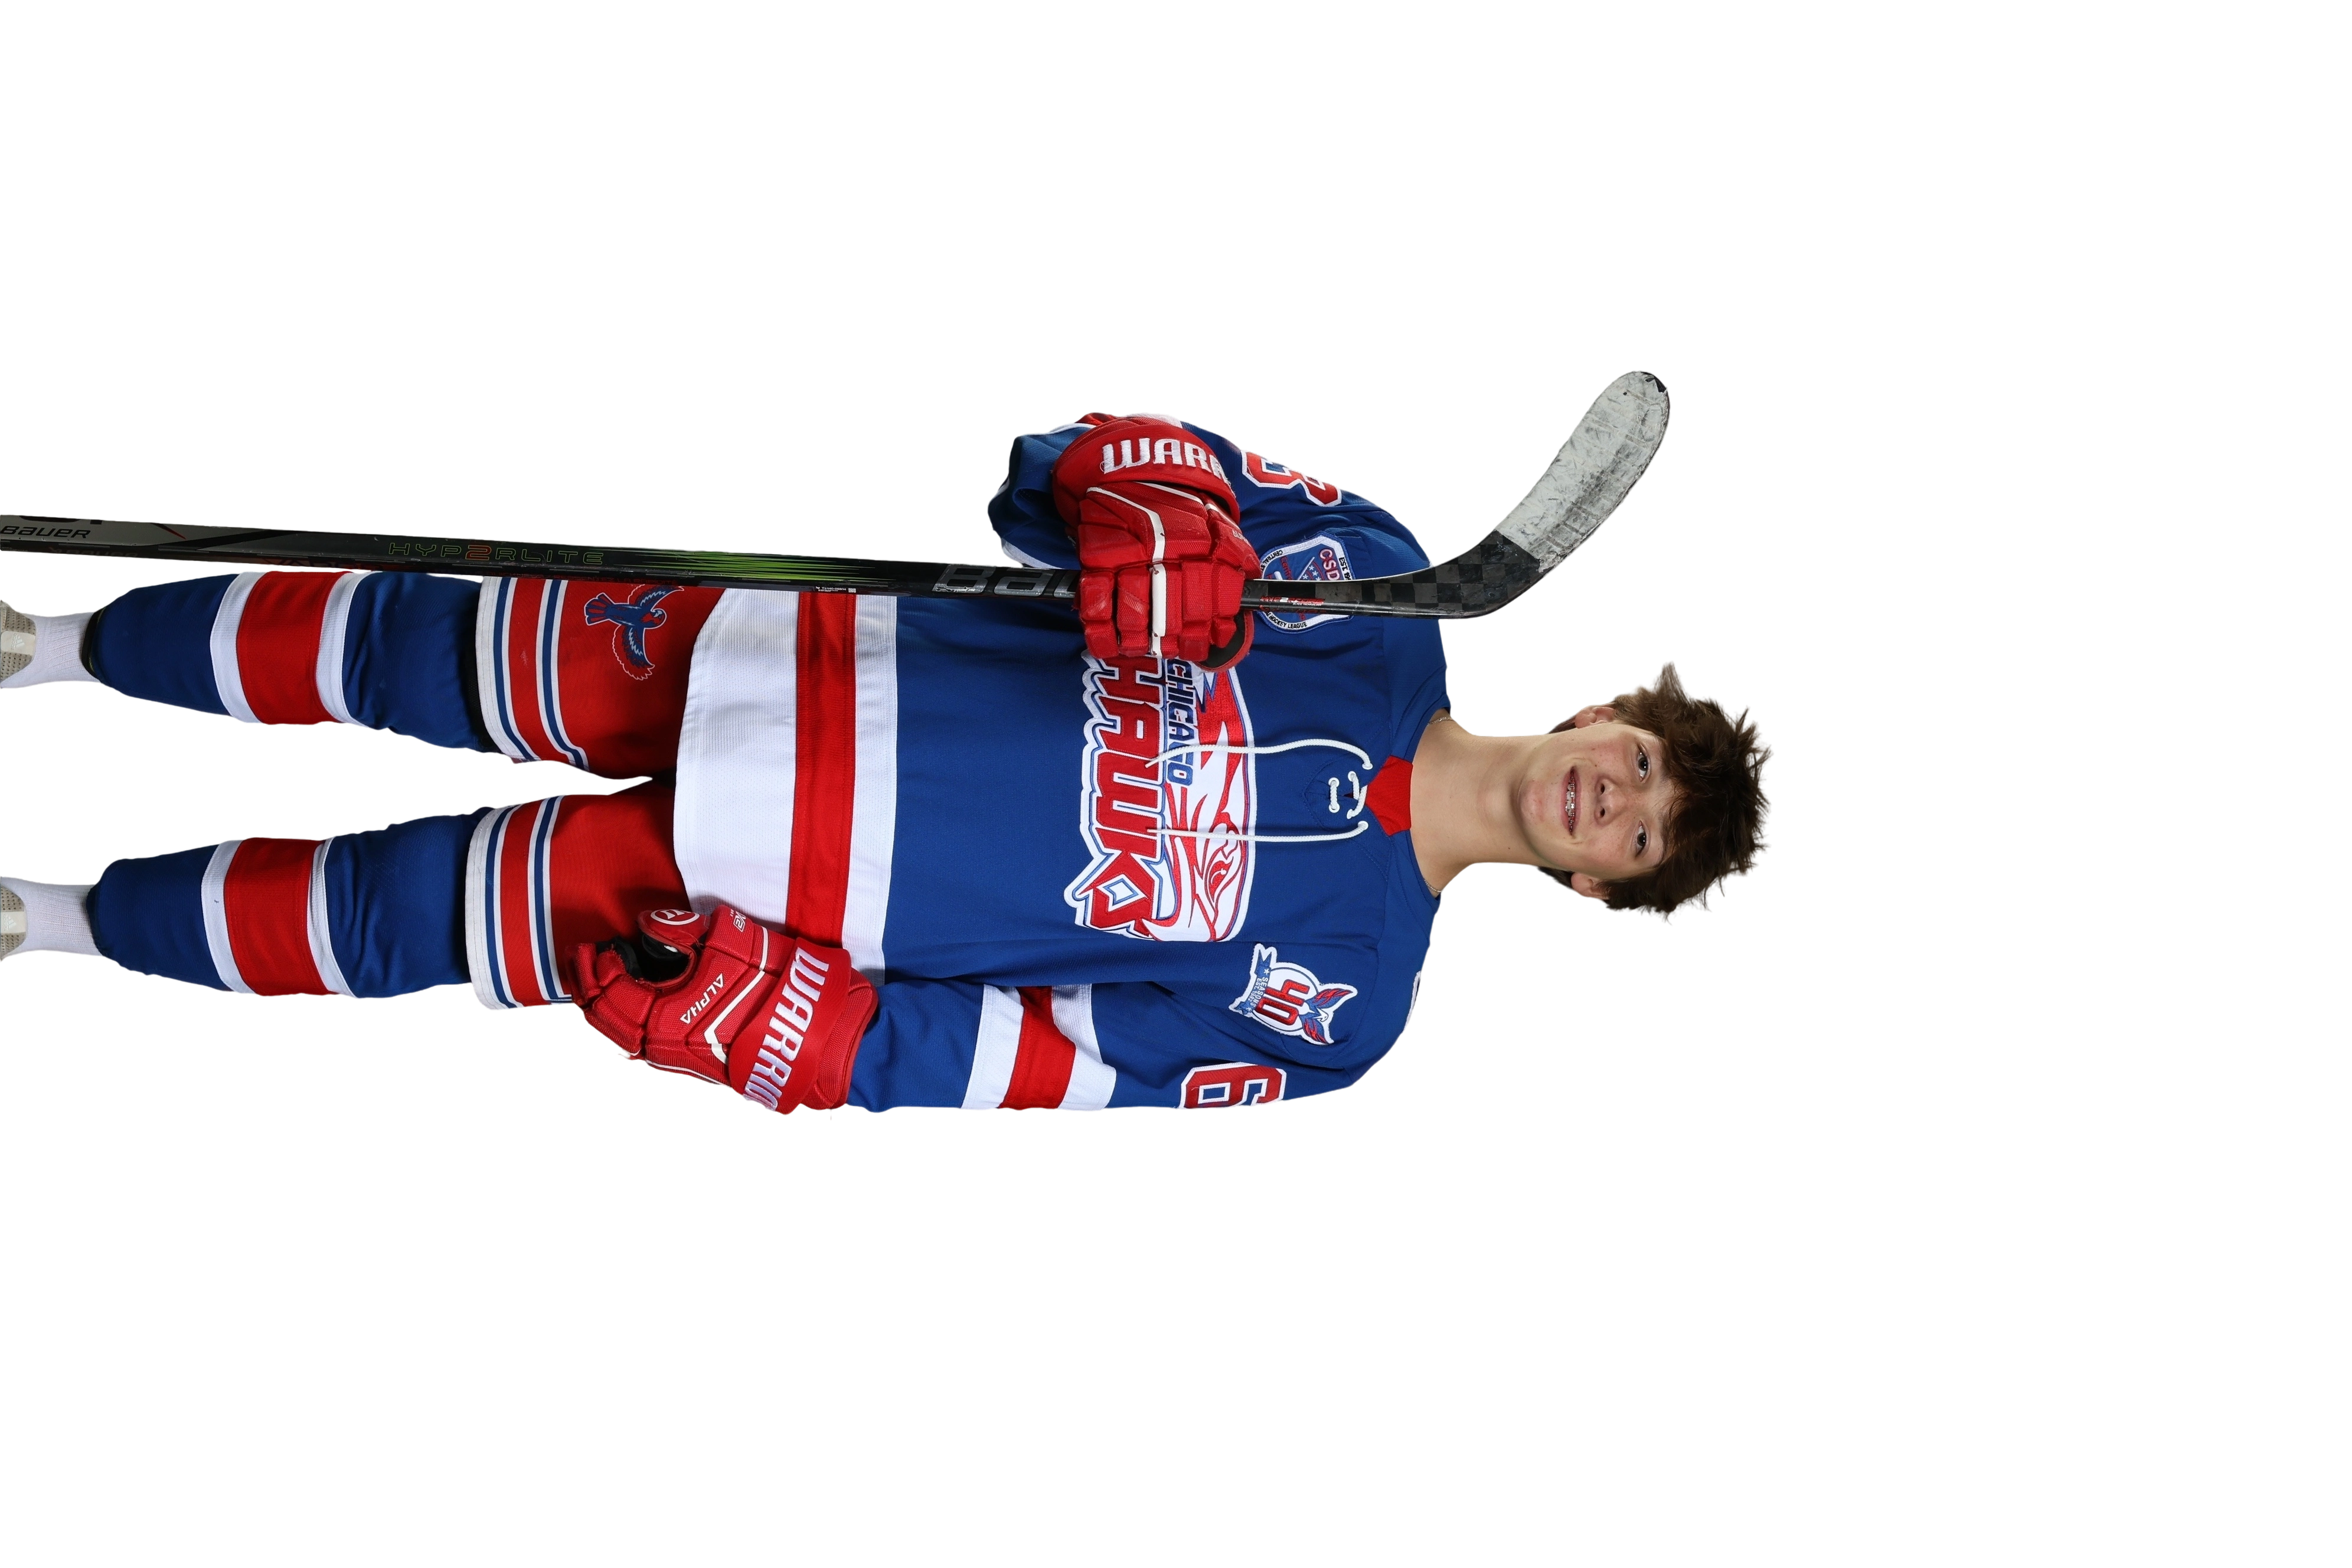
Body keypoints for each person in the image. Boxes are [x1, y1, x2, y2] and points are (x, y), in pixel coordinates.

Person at [0, 413, 1773, 1115]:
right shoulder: (1365, 580)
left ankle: (55, 923)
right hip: (772, 659)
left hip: (761, 905)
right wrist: (1149, 505)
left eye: (1644, 838)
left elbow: (1055, 1059)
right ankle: (56, 647)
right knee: (399, 640)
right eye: (1644, 762)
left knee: (391, 919)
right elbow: (1075, 458)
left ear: (1596, 884)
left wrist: (814, 1041)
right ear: (1604, 717)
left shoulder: (1348, 1008)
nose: (1621, 799)